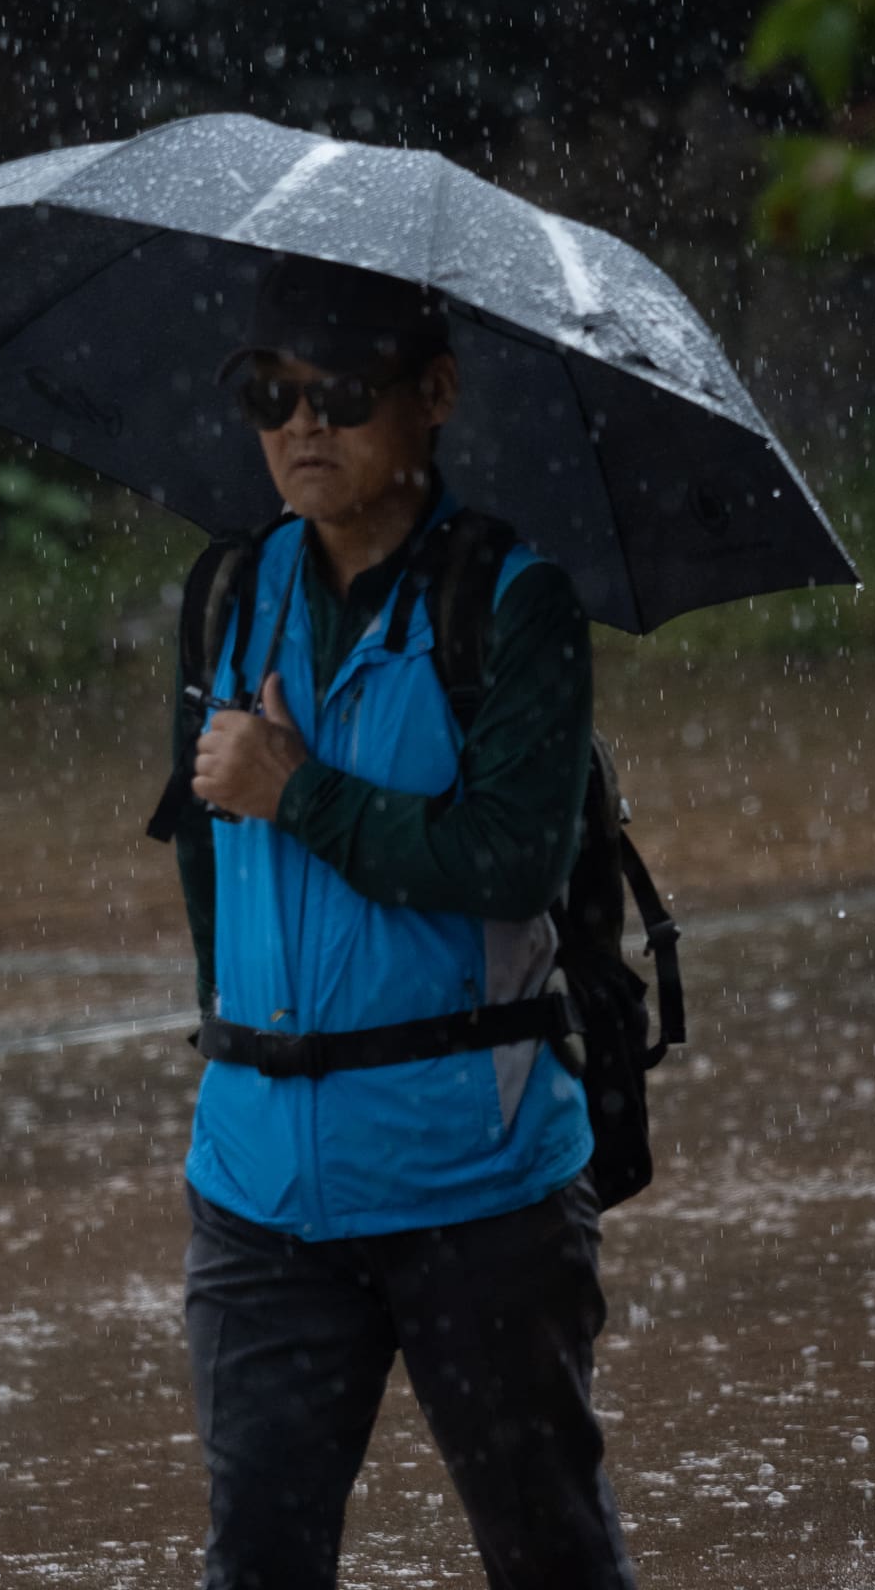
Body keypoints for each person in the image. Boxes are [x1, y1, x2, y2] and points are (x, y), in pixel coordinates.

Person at [169, 252, 638, 1590]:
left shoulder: (514, 607)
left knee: (548, 1554)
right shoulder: (227, 595)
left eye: (342, 392)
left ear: (434, 394)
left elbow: (510, 861)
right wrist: (244, 1053)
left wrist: (301, 791)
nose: (301, 425)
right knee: (257, 1561)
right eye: (270, 393)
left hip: (476, 1188)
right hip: (259, 1193)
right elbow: (207, 868)